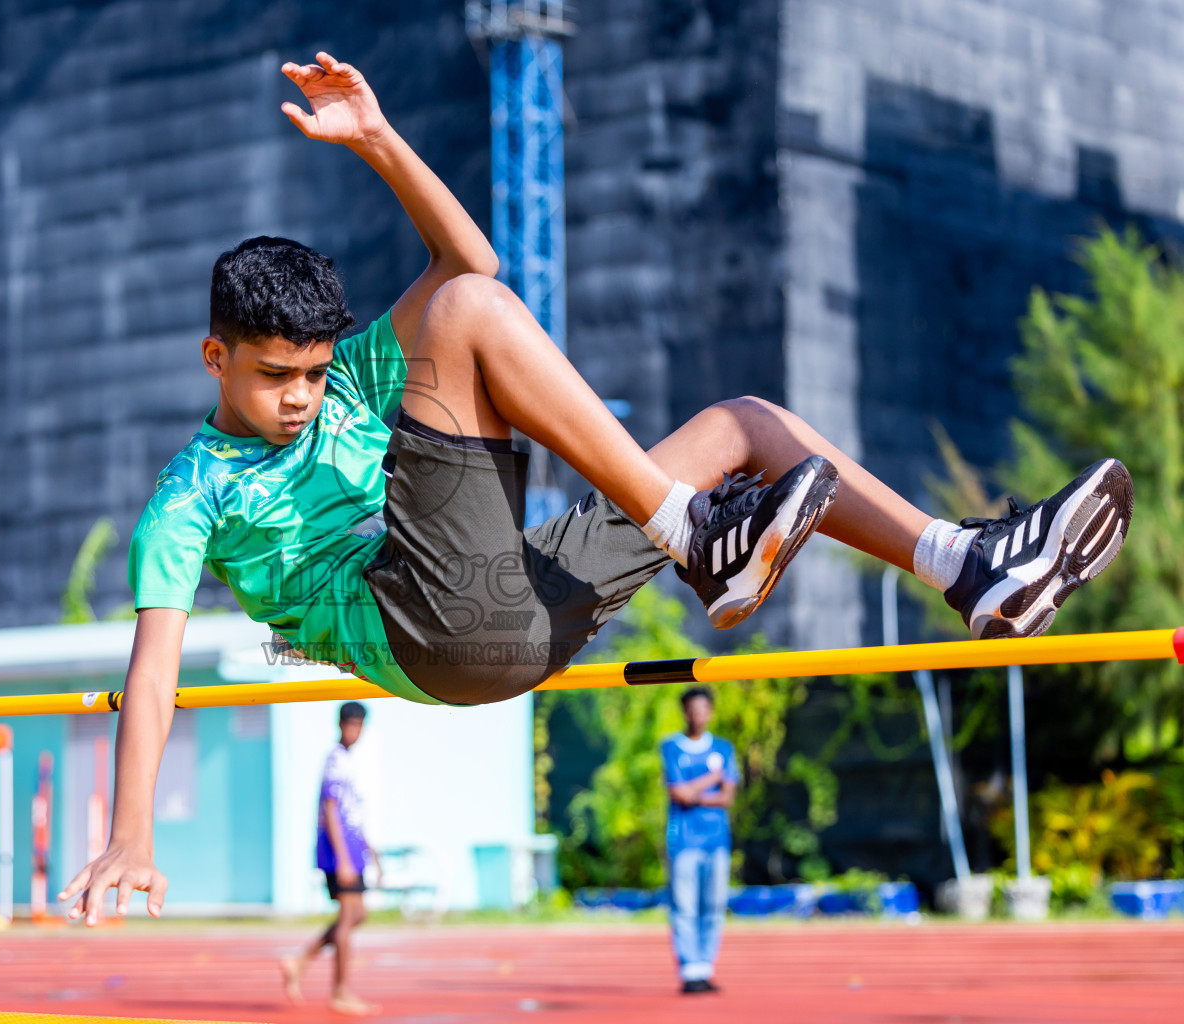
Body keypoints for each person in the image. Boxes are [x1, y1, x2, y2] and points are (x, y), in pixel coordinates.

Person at [59, 52, 1134, 923]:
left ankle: (970, 565)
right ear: (216, 359)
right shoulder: (189, 494)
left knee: (744, 425)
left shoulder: (346, 381)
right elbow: (153, 675)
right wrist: (132, 833)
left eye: (309, 372)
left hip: (515, 616)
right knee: (471, 317)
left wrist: (381, 139)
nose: (298, 397)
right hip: (421, 625)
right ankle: (690, 531)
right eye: (270, 375)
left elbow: (467, 250)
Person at [281, 702, 382, 1016]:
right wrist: (344, 859)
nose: (354, 731)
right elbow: (331, 809)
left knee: (357, 915)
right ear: (341, 725)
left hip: (353, 847)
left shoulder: (350, 761)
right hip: (338, 849)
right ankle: (340, 991)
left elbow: (353, 811)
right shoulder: (335, 759)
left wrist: (370, 851)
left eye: (359, 726)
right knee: (349, 914)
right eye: (350, 725)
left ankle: (299, 960)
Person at [662, 687, 740, 994]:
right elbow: (677, 793)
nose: (698, 716)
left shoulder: (723, 747)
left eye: (703, 710)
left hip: (716, 840)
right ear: (685, 712)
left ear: (710, 712)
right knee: (684, 906)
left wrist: (694, 793)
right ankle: (689, 968)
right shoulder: (672, 747)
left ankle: (705, 966)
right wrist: (712, 779)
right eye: (692, 710)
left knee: (714, 905)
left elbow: (727, 797)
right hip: (683, 840)